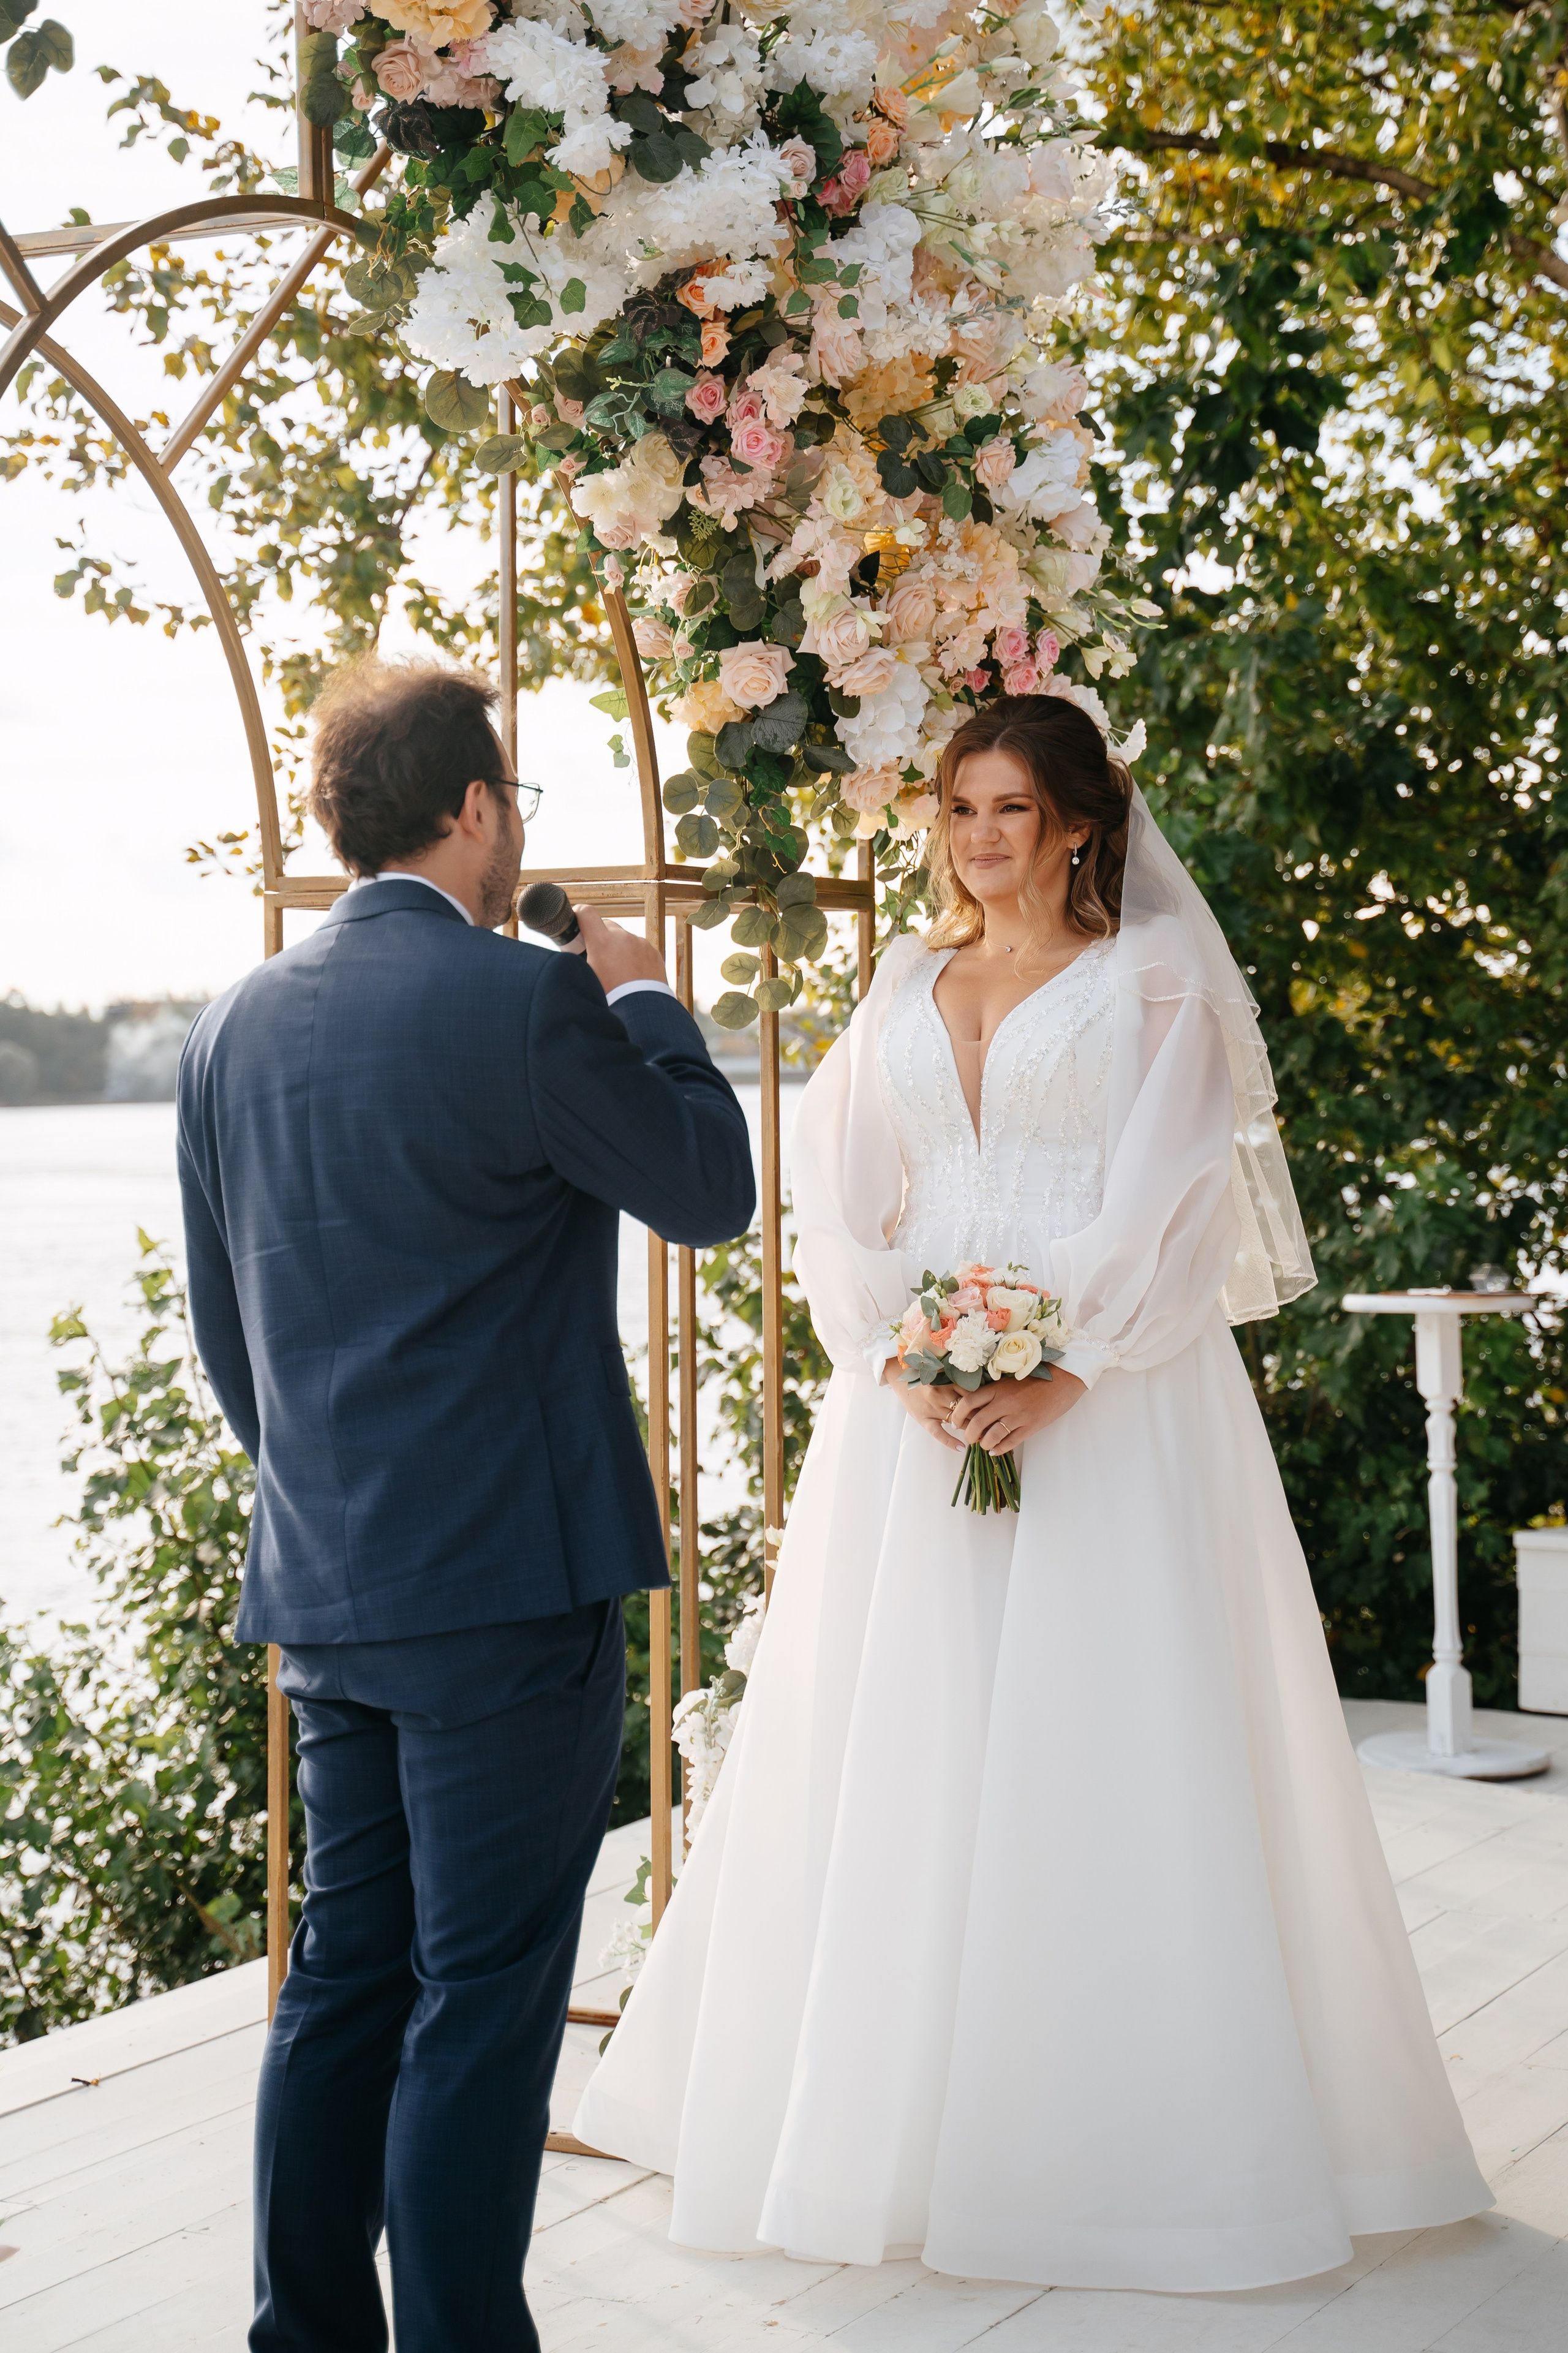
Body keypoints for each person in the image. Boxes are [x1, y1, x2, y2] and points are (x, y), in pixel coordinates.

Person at [575, 694, 1490, 2292]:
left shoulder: (1155, 980)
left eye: (1011, 810)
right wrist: (904, 1357)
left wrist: (1072, 1362)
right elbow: (839, 1195)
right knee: (906, 1743)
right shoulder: (904, 980)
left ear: (1079, 821)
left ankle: (1119, 2151)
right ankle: (884, 2128)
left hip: (1116, 1405)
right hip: (918, 1422)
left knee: (1108, 1740)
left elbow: (1176, 1191)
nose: (981, 839)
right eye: (959, 809)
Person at [176, 657, 755, 2353]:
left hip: (326, 1583)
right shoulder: (529, 1002)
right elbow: (708, 1188)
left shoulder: (227, 1025)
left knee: (343, 1978)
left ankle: (306, 2339)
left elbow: (235, 1342)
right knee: (484, 1999)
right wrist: (648, 1005)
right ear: (480, 809)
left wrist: (332, 1505)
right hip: (504, 1593)